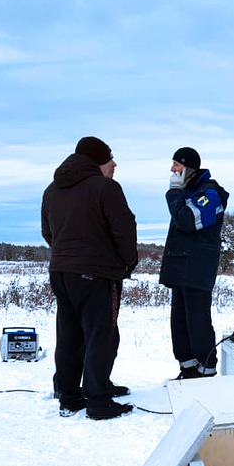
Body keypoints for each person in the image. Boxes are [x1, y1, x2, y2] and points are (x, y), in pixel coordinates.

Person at [41, 136, 137, 420]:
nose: (114, 164)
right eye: (110, 158)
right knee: (101, 335)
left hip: (61, 272)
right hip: (97, 274)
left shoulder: (51, 190)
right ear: (97, 161)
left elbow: (48, 232)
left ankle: (69, 395)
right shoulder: (106, 188)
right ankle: (98, 401)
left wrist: (67, 255)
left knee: (69, 334)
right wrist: (125, 263)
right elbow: (124, 230)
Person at [159, 147, 230, 379]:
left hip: (197, 268)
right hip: (181, 266)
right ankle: (187, 367)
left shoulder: (209, 194)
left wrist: (173, 194)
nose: (172, 170)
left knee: (197, 321)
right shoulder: (186, 191)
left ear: (188, 167)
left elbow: (187, 220)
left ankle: (206, 369)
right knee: (179, 323)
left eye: (176, 165)